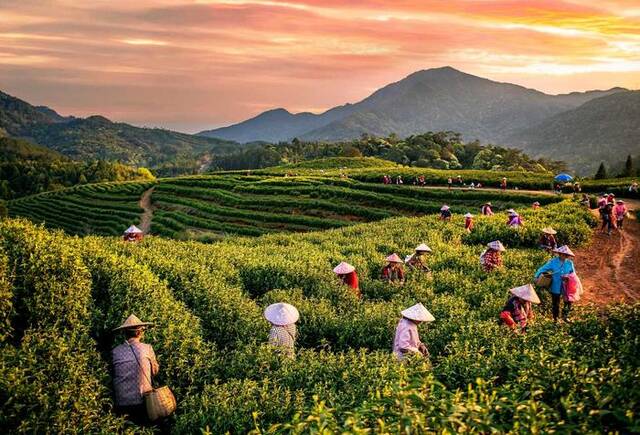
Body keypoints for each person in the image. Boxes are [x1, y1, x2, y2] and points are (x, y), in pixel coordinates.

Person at [112, 314, 159, 425]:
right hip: (142, 401)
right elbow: (155, 371)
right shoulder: (147, 348)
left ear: (124, 333)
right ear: (139, 332)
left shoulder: (115, 351)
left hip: (121, 402)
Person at [534, 245, 576, 322]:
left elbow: (573, 274)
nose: (565, 256)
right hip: (556, 285)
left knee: (568, 301)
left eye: (566, 255)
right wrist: (536, 276)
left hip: (567, 285)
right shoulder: (553, 262)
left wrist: (568, 277)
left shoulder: (570, 263)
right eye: (563, 254)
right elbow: (543, 269)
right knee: (556, 303)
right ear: (559, 254)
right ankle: (555, 318)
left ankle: (565, 316)